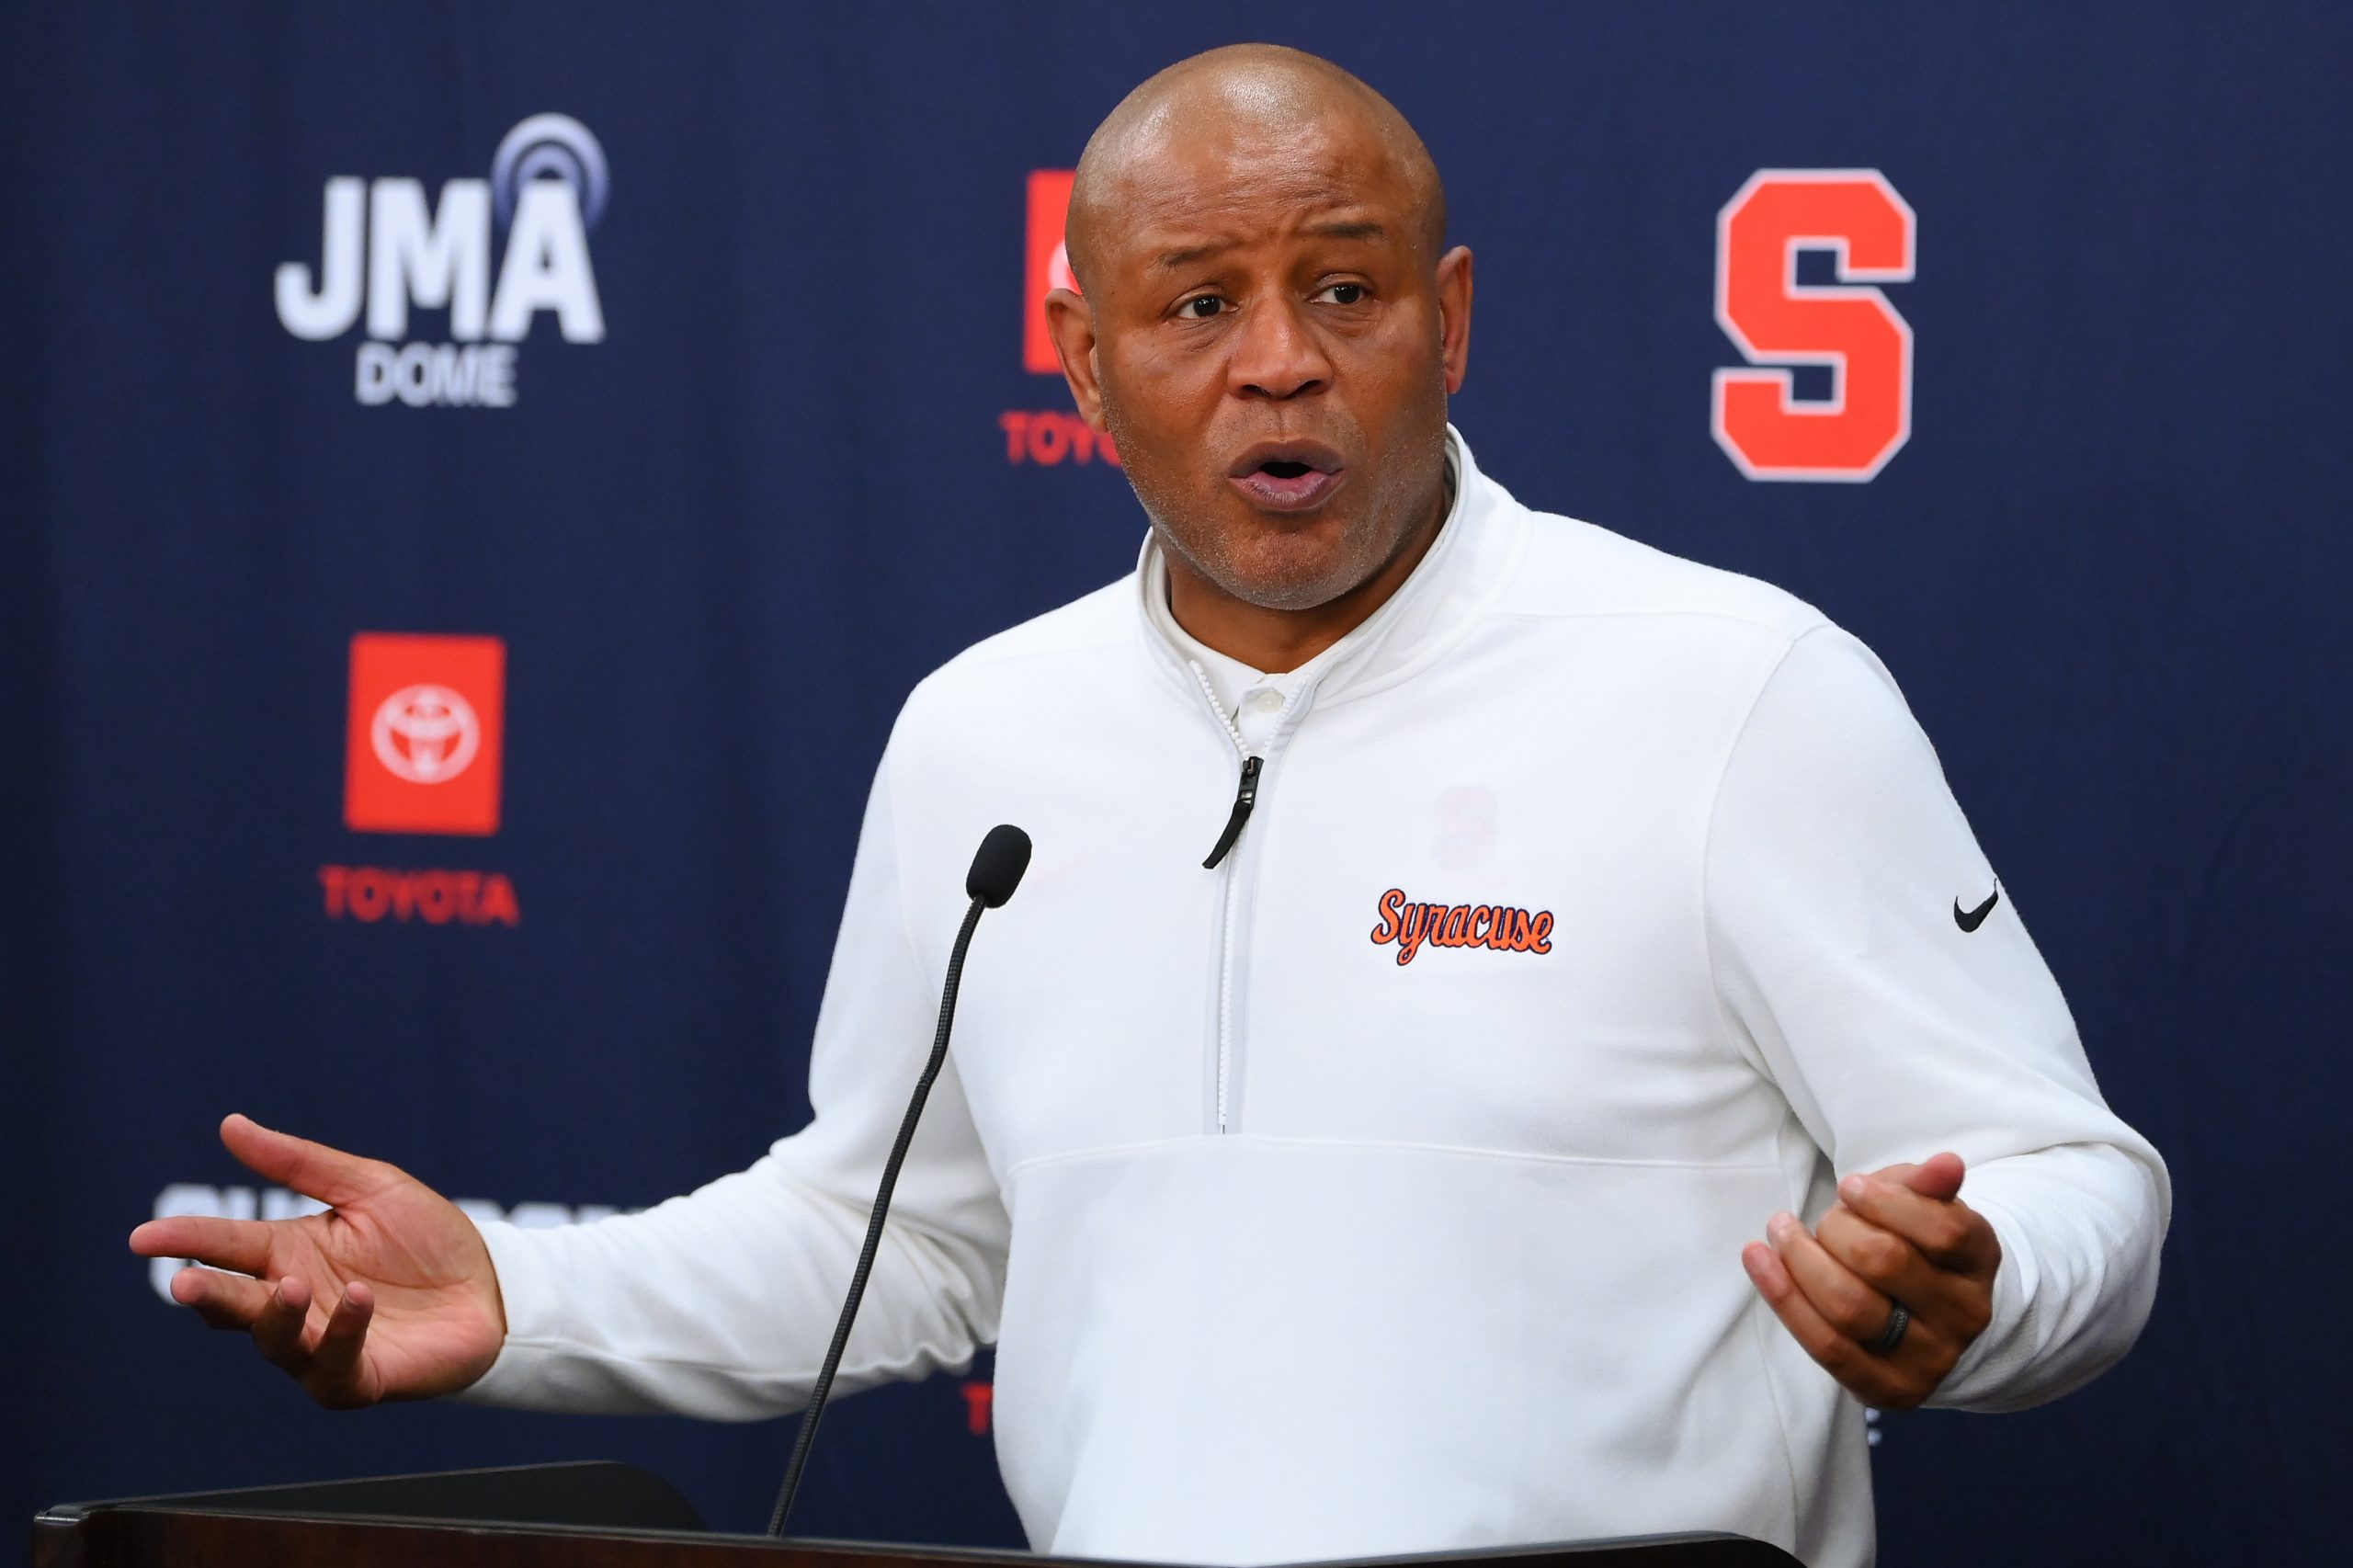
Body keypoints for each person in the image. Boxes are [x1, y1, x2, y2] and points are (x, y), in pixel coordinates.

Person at [131, 44, 2166, 1568]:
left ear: (1445, 324)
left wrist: (1975, 1290)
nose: (1276, 364)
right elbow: (902, 1238)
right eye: (1197, 304)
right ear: (1079, 355)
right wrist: (519, 1292)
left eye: (1344, 293)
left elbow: (2071, 1174)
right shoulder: (978, 738)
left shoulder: (1733, 689)